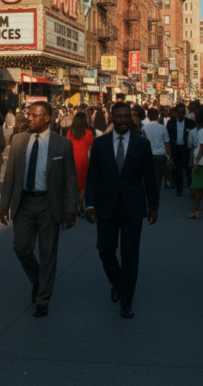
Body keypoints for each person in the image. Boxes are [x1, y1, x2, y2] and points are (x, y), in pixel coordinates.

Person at [0, 102, 78, 317]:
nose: (29, 118)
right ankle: (37, 278)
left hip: (48, 204)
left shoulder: (62, 144)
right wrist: (4, 204)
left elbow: (71, 178)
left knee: (48, 253)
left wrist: (71, 208)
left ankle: (43, 299)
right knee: (21, 248)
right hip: (23, 203)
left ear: (47, 118)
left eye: (35, 115)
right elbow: (10, 175)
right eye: (29, 114)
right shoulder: (18, 140)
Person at [84, 102, 158, 319]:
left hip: (132, 208)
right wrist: (89, 204)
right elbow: (92, 176)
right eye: (119, 116)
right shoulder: (100, 144)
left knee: (130, 254)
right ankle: (117, 281)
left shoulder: (142, 144)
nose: (123, 120)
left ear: (131, 118)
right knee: (104, 249)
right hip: (106, 205)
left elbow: (150, 178)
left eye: (127, 116)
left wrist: (153, 205)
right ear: (112, 119)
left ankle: (126, 302)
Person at [67, 111, 97, 217]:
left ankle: (73, 207)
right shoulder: (88, 133)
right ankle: (81, 206)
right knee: (83, 185)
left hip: (72, 159)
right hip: (83, 159)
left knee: (73, 184)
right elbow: (92, 147)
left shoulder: (70, 132)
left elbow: (67, 146)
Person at [166, 105, 197, 197]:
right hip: (175, 149)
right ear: (176, 113)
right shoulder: (171, 123)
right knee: (178, 170)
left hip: (186, 149)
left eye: (183, 112)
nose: (181, 114)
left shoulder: (190, 122)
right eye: (179, 112)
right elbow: (168, 137)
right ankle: (179, 189)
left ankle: (191, 188)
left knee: (188, 170)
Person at [142, 108, 171, 203]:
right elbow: (167, 144)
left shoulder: (144, 128)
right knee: (158, 177)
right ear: (158, 116)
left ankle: (148, 194)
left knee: (148, 176)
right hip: (160, 155)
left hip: (148, 155)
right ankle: (156, 195)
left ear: (148, 116)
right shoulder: (163, 128)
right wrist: (169, 156)